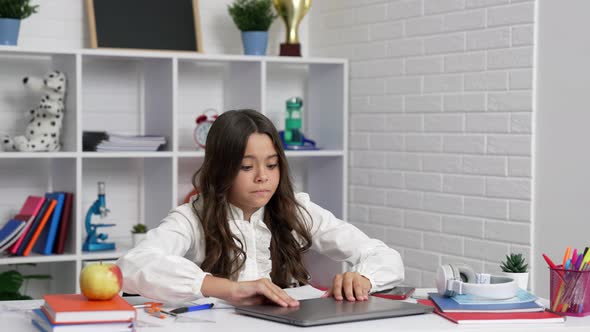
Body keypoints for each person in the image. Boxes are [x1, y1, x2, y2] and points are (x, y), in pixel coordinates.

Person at [117, 109, 404, 307]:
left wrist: (363, 278)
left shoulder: (296, 209)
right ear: (222, 168)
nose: (262, 177)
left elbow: (384, 256)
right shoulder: (192, 218)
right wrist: (229, 289)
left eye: (271, 164)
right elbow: (132, 266)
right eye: (246, 166)